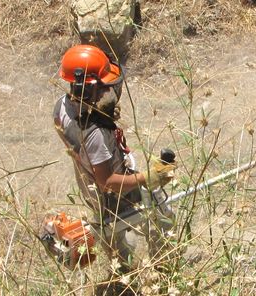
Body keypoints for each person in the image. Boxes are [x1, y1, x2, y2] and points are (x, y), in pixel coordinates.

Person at [52, 44, 176, 272]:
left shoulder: (62, 105)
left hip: (89, 187)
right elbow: (107, 182)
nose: (108, 92)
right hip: (113, 192)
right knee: (160, 217)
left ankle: (122, 272)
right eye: (103, 88)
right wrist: (146, 178)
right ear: (88, 90)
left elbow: (68, 141)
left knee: (115, 241)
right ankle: (164, 266)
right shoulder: (95, 135)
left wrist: (102, 113)